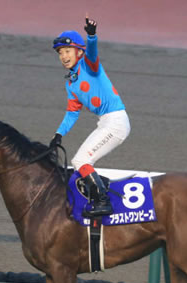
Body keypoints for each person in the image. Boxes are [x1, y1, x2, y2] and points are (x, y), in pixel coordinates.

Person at [51, 14, 131, 217]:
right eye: (60, 53)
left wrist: (92, 36)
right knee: (79, 161)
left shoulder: (89, 65)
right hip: (106, 123)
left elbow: (93, 52)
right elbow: (72, 113)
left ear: (79, 52)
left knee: (81, 161)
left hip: (116, 122)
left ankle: (103, 201)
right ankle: (101, 187)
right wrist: (58, 135)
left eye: (67, 51)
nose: (63, 56)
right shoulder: (71, 83)